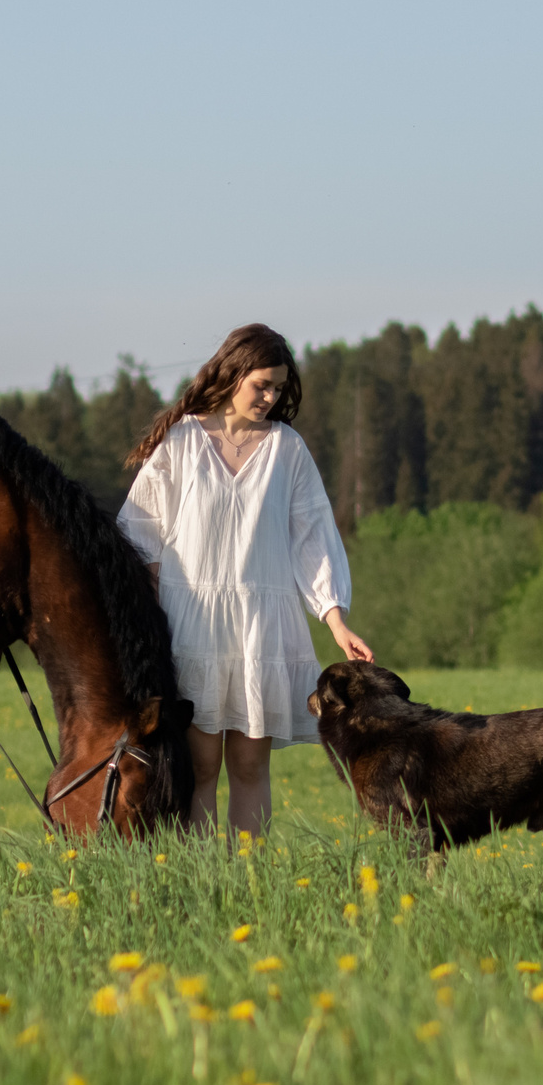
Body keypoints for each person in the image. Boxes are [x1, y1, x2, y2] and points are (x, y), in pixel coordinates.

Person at [117, 323, 374, 842]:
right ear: (233, 374)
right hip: (192, 630)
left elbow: (314, 539)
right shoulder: (183, 441)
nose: (270, 397)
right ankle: (202, 877)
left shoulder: (287, 449)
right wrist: (146, 624)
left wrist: (336, 620)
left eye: (278, 388)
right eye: (262, 385)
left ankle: (250, 878)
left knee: (251, 767)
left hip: (261, 630)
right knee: (200, 768)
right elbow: (141, 535)